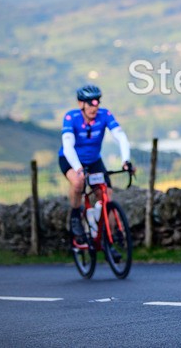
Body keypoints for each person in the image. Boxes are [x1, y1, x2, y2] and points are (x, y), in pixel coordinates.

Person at [59, 85, 133, 243]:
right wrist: (78, 168)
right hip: (70, 159)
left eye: (97, 102)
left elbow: (121, 137)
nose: (94, 107)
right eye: (90, 103)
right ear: (81, 104)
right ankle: (75, 217)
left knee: (107, 196)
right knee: (78, 183)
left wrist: (126, 160)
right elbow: (68, 146)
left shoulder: (104, 115)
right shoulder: (71, 118)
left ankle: (108, 238)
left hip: (93, 160)